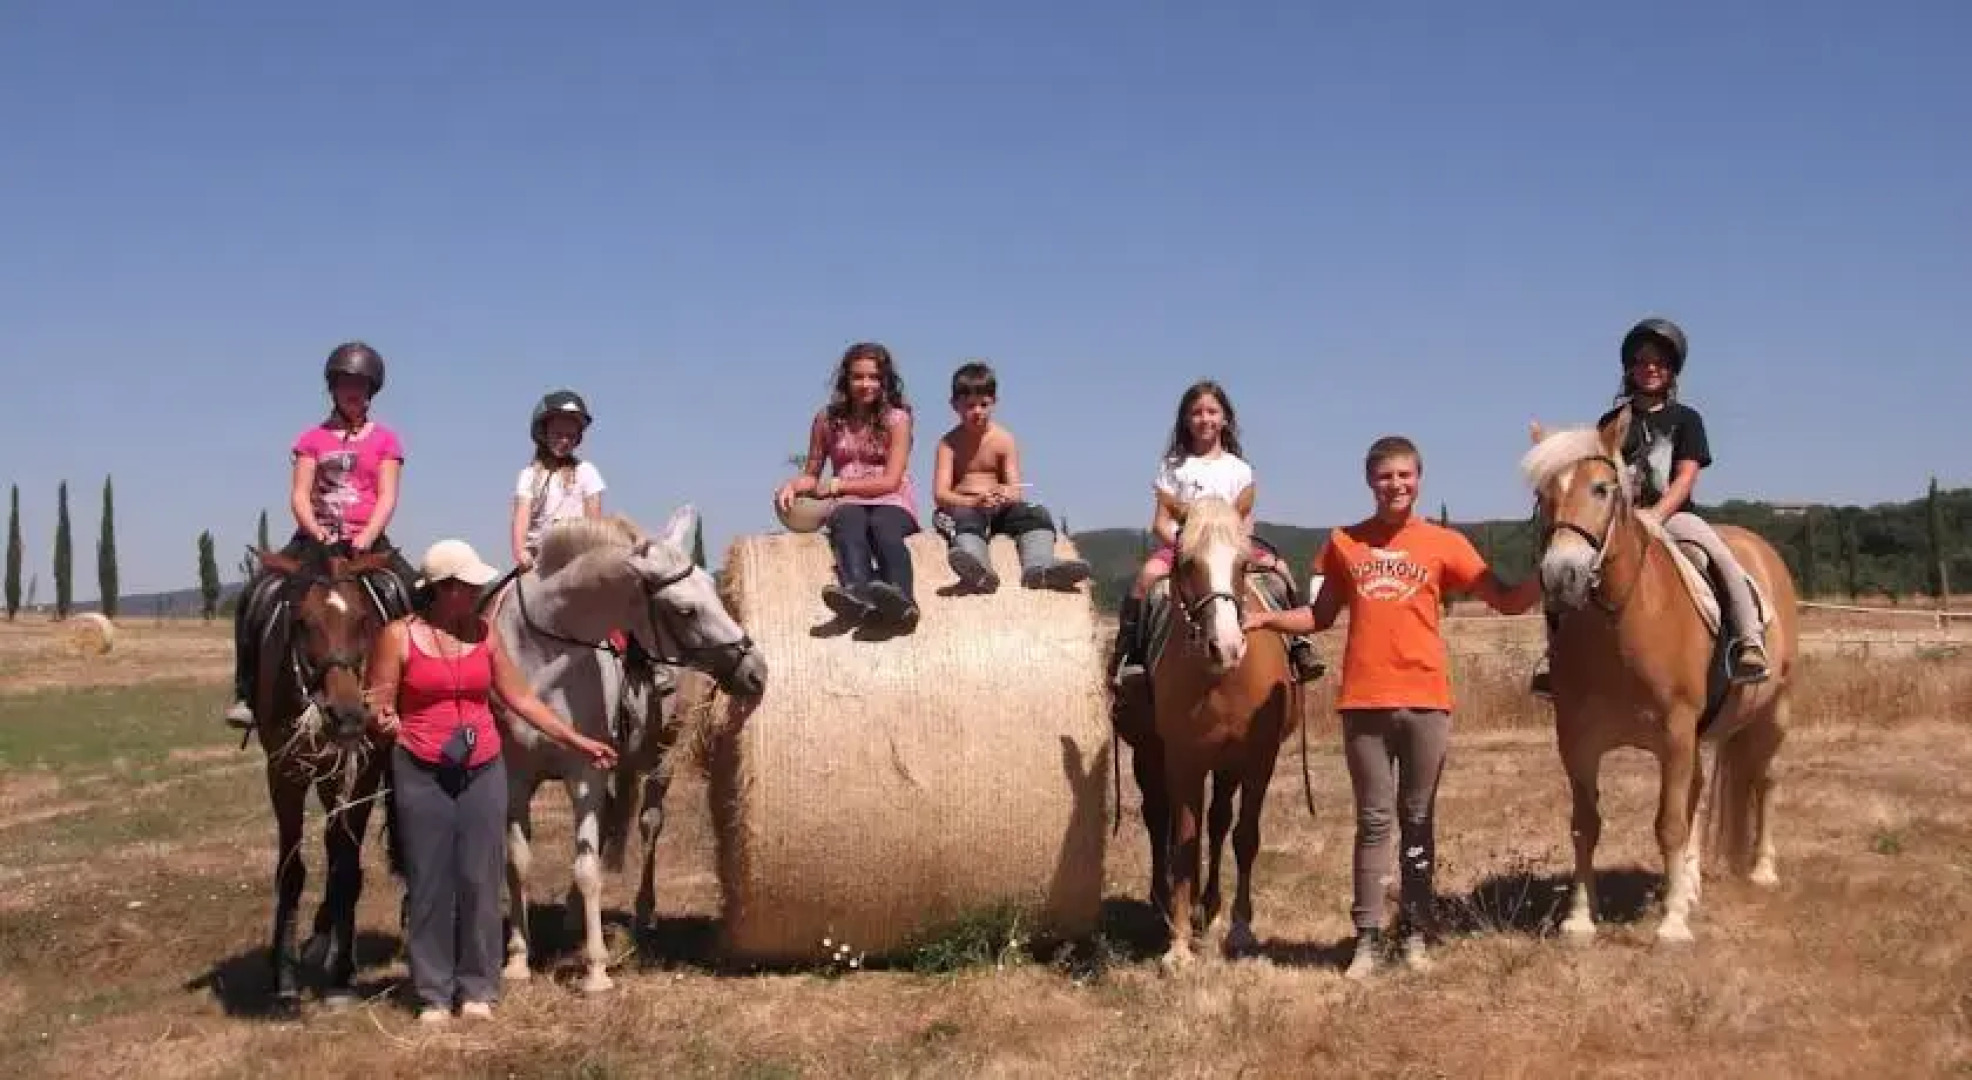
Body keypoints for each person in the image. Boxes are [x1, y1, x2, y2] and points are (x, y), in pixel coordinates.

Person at [1246, 435, 1541, 979]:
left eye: (1405, 475)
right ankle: (1366, 937)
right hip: (1364, 702)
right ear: (1369, 481)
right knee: (1374, 821)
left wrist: (1550, 571)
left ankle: (1416, 935)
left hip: (1427, 700)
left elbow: (1503, 599)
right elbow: (1321, 616)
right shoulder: (1344, 542)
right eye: (1386, 477)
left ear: (1419, 479)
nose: (1396, 485)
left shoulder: (1444, 543)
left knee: (1419, 819)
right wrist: (1266, 620)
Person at [363, 539, 618, 1024]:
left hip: (482, 766)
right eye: (470, 584)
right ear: (445, 589)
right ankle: (435, 991)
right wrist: (383, 722)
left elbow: (522, 700)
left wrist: (577, 740)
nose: (479, 589)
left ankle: (478, 987)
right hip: (421, 766)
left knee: (481, 877)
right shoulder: (398, 637)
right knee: (430, 879)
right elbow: (379, 704)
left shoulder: (484, 636)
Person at [1529, 316, 1770, 697]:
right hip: (1619, 520)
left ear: (1672, 370)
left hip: (1673, 516)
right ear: (1630, 369)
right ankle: (1553, 655)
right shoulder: (1610, 423)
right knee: (1565, 567)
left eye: (1659, 362)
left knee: (1717, 554)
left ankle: (1748, 639)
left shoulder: (1686, 420)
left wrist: (1658, 515)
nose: (1650, 369)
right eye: (1642, 361)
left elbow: (1686, 475)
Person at [224, 342, 415, 730]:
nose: (353, 390)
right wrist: (318, 532)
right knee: (257, 592)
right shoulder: (312, 438)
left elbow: (388, 495)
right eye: (345, 382)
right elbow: (299, 495)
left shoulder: (386, 441)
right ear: (332, 387)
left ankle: (413, 694)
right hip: (315, 539)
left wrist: (368, 536)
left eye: (360, 384)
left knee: (413, 592)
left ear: (372, 389)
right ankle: (247, 692)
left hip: (367, 539)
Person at [1108, 379, 1322, 687]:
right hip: (1186, 548)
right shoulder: (1173, 467)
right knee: (1145, 579)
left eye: (1212, 411)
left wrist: (1240, 550)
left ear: (1225, 419)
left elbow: (1246, 522)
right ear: (1185, 419)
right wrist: (1187, 547)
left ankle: (1300, 646)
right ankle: (1130, 656)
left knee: (1282, 570)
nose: (1204, 418)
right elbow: (1160, 523)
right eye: (1196, 412)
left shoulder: (1239, 470)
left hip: (1232, 548)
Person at [773, 342, 923, 631]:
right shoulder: (827, 419)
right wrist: (791, 485)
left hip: (892, 499)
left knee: (883, 528)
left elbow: (890, 480)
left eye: (873, 377)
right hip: (847, 502)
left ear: (885, 381)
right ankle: (858, 596)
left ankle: (905, 602)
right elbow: (812, 473)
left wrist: (836, 485)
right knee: (847, 522)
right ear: (845, 379)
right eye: (858, 376)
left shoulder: (897, 420)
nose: (865, 384)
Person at [931, 361, 1092, 592]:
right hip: (964, 507)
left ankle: (1040, 567)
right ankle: (978, 570)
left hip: (999, 508)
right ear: (954, 405)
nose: (977, 411)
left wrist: (1003, 495)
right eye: (969, 406)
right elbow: (940, 494)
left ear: (994, 403)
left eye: (983, 404)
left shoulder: (1004, 440)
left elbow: (1016, 489)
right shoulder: (948, 445)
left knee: (1037, 513)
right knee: (963, 521)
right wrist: (973, 501)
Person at [511, 389, 605, 571]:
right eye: (558, 434)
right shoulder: (528, 475)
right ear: (544, 434)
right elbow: (521, 517)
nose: (564, 440)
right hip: (537, 560)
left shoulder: (587, 472)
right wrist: (520, 552)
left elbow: (594, 524)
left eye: (570, 436)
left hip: (575, 559)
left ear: (578, 438)